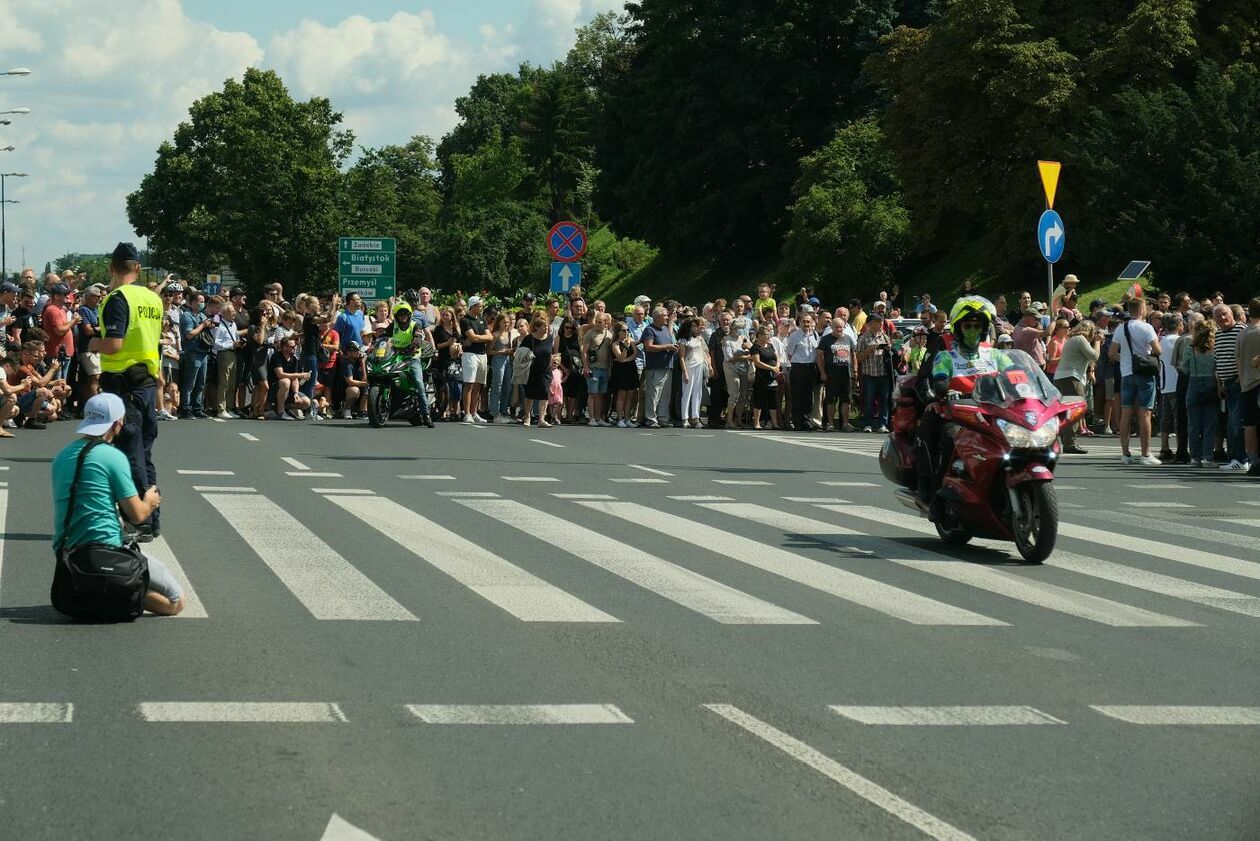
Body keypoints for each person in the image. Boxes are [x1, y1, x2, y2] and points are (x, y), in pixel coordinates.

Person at [51, 393, 183, 616]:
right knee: (175, 601)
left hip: (67, 553)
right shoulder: (113, 456)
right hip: (107, 552)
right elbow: (138, 514)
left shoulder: (62, 456)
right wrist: (151, 501)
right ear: (118, 423)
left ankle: (97, 593)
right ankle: (117, 594)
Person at [916, 296, 1017, 513]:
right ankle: (933, 490)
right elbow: (932, 378)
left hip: (991, 410)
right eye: (968, 325)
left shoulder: (993, 352)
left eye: (977, 325)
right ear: (958, 327)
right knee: (941, 432)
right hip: (956, 411)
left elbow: (1015, 375)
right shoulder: (945, 352)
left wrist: (1025, 388)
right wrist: (936, 397)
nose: (973, 329)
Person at [90, 243, 164, 541]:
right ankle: (152, 520)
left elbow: (114, 344)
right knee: (144, 455)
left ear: (112, 267)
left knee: (129, 455)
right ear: (137, 267)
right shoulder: (152, 299)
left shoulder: (117, 298)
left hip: (123, 385)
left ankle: (140, 522)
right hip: (146, 382)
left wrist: (94, 344)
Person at [1109, 297, 1162, 465]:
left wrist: (1126, 358)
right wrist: (1142, 358)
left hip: (1126, 373)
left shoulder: (1120, 328)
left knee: (1126, 413)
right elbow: (1157, 350)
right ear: (1141, 309)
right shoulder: (1147, 328)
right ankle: (1145, 454)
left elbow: (1111, 354)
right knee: (1144, 413)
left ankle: (1125, 453)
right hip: (1144, 374)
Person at [1054, 320, 1100, 454]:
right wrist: (1097, 342)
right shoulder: (1081, 339)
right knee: (1075, 410)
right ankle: (1070, 443)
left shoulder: (1072, 339)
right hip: (1072, 378)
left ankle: (1064, 440)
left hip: (1061, 377)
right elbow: (1094, 356)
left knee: (1066, 411)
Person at [387, 300, 434, 427]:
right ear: (396, 316)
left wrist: (413, 345)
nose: (403, 316)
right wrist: (375, 346)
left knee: (419, 383)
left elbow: (418, 339)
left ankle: (426, 414)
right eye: (400, 314)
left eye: (405, 313)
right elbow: (382, 338)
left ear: (409, 314)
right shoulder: (392, 326)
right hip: (395, 358)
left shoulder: (415, 325)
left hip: (412, 358)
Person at [1185, 319, 1218, 467]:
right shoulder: (1215, 347)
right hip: (1211, 383)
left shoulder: (1190, 347)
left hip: (1194, 382)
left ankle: (1195, 457)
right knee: (1209, 424)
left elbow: (1183, 367)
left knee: (1194, 424)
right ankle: (1208, 457)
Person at [460, 296, 492, 423]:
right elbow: (473, 338)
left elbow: (489, 337)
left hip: (482, 355)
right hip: (470, 355)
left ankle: (474, 412)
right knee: (469, 384)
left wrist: (477, 338)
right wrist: (478, 338)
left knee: (479, 385)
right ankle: (467, 413)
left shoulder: (482, 320)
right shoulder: (465, 320)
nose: (481, 308)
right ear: (472, 306)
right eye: (479, 306)